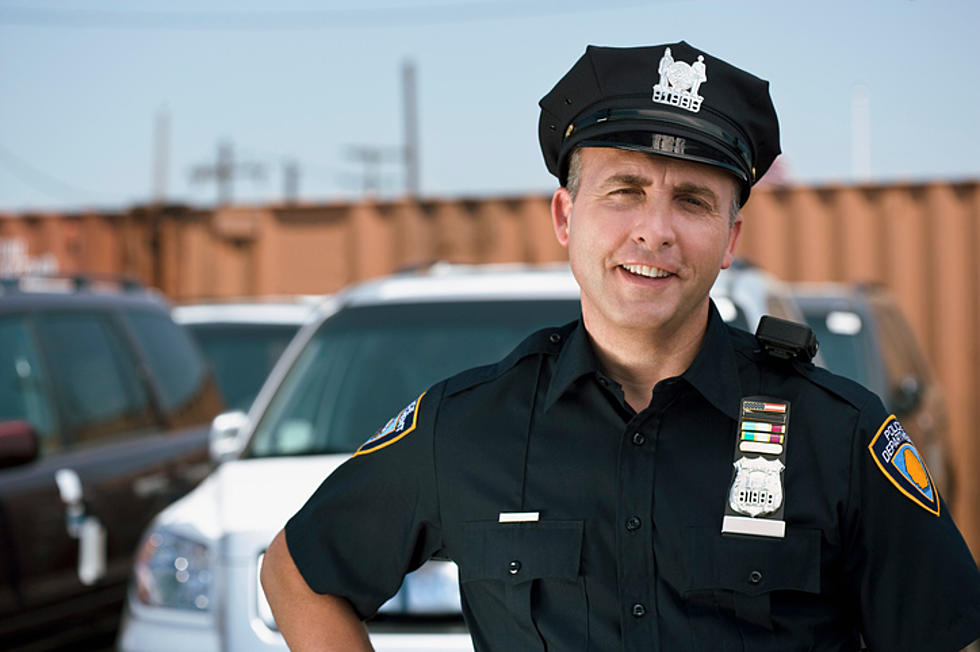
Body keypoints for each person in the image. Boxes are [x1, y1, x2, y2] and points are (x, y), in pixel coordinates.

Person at [261, 41, 980, 651]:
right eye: (625, 190)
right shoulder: (468, 426)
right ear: (565, 217)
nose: (655, 231)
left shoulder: (839, 434)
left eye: (693, 201)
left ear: (730, 238)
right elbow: (296, 575)